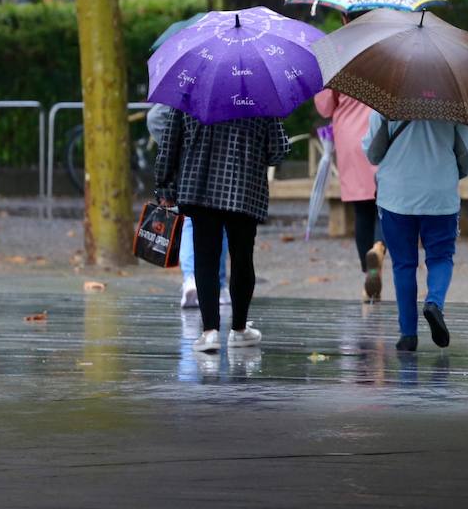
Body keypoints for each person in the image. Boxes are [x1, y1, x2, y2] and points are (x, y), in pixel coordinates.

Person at [154, 109, 291, 353]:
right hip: (245, 188)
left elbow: (169, 144)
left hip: (198, 185)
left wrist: (164, 187)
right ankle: (239, 330)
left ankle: (210, 333)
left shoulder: (190, 95)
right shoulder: (260, 99)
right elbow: (278, 151)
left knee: (205, 258)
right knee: (242, 258)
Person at [363, 111, 468, 351]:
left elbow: (373, 153)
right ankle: (434, 303)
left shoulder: (386, 101)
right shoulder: (456, 104)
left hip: (396, 195)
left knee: (403, 264)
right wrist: (450, 172)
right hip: (440, 194)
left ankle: (408, 335)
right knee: (440, 257)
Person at [146, 103, 226, 311]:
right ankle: (218, 284)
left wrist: (181, 150)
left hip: (191, 169)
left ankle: (191, 278)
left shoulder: (186, 90)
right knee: (222, 223)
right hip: (224, 168)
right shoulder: (238, 92)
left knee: (193, 220)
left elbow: (156, 118)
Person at [314, 88, 385, 300]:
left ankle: (369, 278)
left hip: (350, 138)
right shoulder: (380, 64)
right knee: (385, 206)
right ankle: (379, 247)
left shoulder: (337, 67)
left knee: (362, 211)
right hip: (380, 133)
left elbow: (325, 107)